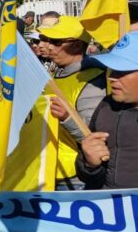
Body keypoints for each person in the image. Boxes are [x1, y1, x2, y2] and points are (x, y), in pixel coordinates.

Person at [38, 16, 106, 189]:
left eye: (56, 42)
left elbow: (96, 137)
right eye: (46, 40)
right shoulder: (55, 74)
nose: (48, 46)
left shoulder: (93, 81)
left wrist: (67, 118)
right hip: (48, 168)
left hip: (74, 176)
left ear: (76, 45)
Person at [77, 33, 138, 189]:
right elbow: (91, 177)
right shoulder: (106, 105)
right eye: (112, 69)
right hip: (107, 203)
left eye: (122, 71)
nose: (111, 77)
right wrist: (90, 164)